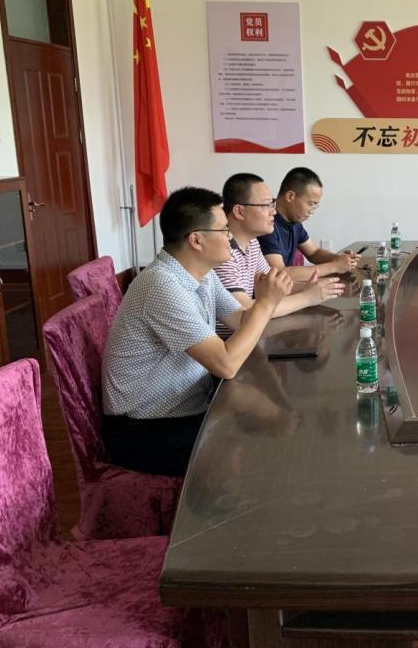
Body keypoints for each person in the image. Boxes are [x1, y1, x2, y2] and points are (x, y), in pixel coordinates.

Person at [101, 186, 293, 477]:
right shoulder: (161, 285)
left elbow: (240, 321)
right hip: (143, 430)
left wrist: (269, 300)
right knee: (252, 447)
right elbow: (226, 364)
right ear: (196, 240)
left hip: (185, 405)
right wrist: (265, 304)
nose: (231, 237)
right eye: (224, 230)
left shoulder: (202, 275)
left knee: (263, 422)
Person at [214, 173, 345, 336]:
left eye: (272, 204)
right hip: (229, 342)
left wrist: (310, 288)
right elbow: (244, 312)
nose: (273, 212)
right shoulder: (222, 253)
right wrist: (307, 297)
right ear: (239, 211)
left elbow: (274, 284)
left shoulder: (251, 242)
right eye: (266, 205)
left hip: (251, 336)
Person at [258, 166, 358, 280]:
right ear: (290, 196)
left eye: (315, 205)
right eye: (310, 204)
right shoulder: (267, 224)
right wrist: (335, 266)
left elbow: (313, 253)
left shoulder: (294, 222)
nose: (312, 210)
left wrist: (339, 259)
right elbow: (279, 273)